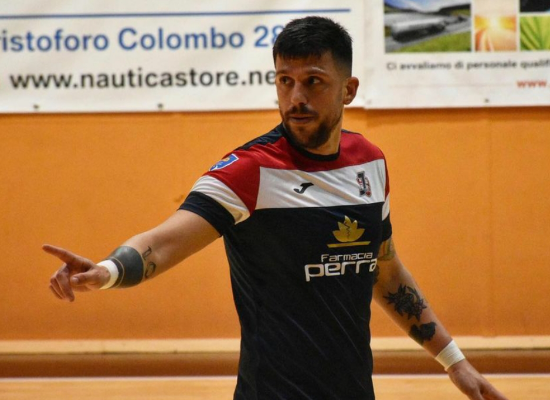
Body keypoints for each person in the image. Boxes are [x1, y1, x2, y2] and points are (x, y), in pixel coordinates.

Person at [46, 16, 508, 400]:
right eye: (285, 81)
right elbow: (163, 242)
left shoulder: (369, 163)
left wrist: (455, 363)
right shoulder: (250, 170)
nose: (296, 97)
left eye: (313, 82)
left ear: (348, 90)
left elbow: (383, 271)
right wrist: (108, 270)